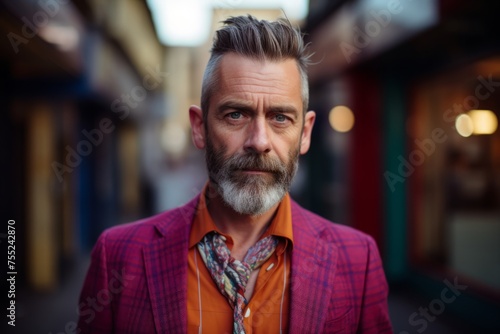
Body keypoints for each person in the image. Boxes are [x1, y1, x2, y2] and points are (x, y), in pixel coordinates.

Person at [78, 15, 392, 334]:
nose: (259, 141)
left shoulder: (358, 260)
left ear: (306, 133)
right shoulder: (118, 256)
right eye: (236, 114)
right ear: (200, 128)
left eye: (280, 118)